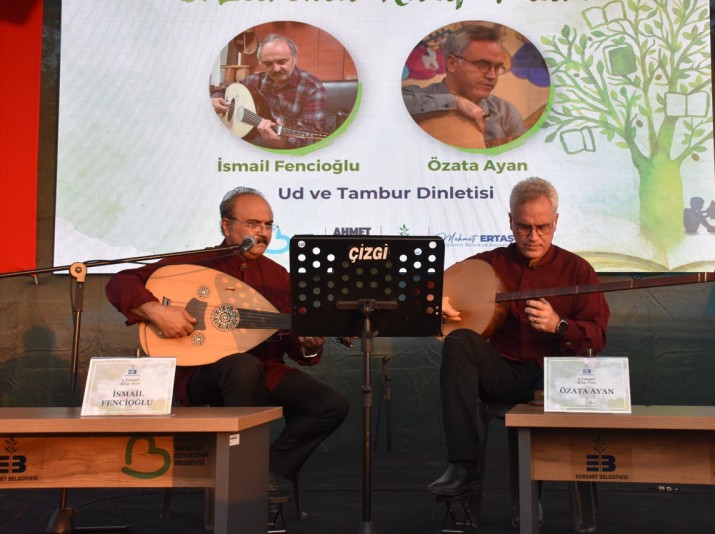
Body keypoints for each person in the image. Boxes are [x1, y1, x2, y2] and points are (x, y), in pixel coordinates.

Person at [106, 186, 349, 486]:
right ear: (226, 225)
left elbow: (295, 347)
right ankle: (244, 480)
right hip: (200, 373)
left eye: (268, 225)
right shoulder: (195, 264)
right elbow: (122, 281)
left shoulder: (279, 278)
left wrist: (309, 346)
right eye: (253, 223)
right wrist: (155, 310)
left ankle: (263, 471)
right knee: (241, 366)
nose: (262, 232)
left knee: (330, 404)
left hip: (265, 372)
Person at [428, 178, 610, 508]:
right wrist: (435, 299)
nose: (533, 236)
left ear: (556, 222)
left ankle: (529, 501)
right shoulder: (489, 263)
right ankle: (463, 466)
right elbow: (431, 289)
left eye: (542, 227)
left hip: (551, 379)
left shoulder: (577, 270)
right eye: (524, 227)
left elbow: (597, 336)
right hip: (501, 372)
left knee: (552, 386)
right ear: (510, 221)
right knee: (459, 341)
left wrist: (560, 326)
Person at [402, 25, 527, 148]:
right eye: (483, 65)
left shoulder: (506, 112)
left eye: (497, 67)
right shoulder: (410, 97)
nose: (492, 76)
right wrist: (455, 102)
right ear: (452, 63)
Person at [211, 34, 327, 149]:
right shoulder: (255, 80)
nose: (276, 69)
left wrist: (284, 142)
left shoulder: (312, 87)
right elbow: (224, 89)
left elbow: (312, 139)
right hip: (250, 135)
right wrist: (215, 99)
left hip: (287, 148)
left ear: (294, 59)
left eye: (282, 62)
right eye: (268, 63)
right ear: (261, 63)